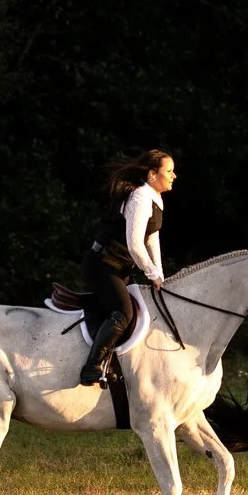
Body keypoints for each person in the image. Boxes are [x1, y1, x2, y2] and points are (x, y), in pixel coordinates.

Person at [80, 149, 176, 385]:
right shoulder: (140, 198)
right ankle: (90, 368)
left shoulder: (155, 197)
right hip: (102, 264)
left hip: (118, 267)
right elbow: (135, 244)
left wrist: (160, 274)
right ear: (153, 174)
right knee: (124, 313)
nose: (174, 176)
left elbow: (152, 238)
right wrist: (151, 273)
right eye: (169, 171)